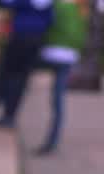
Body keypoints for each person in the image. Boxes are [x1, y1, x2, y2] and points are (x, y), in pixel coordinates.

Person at [0, 0, 56, 127]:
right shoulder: (48, 4)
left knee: (5, 74)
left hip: (18, 38)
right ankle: (9, 115)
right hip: (35, 40)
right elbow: (50, 21)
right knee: (21, 79)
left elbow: (7, 4)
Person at [37, 0, 85, 153]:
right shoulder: (79, 9)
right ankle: (53, 138)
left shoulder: (55, 6)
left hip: (51, 52)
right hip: (69, 55)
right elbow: (80, 36)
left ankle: (51, 140)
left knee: (17, 77)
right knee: (58, 99)